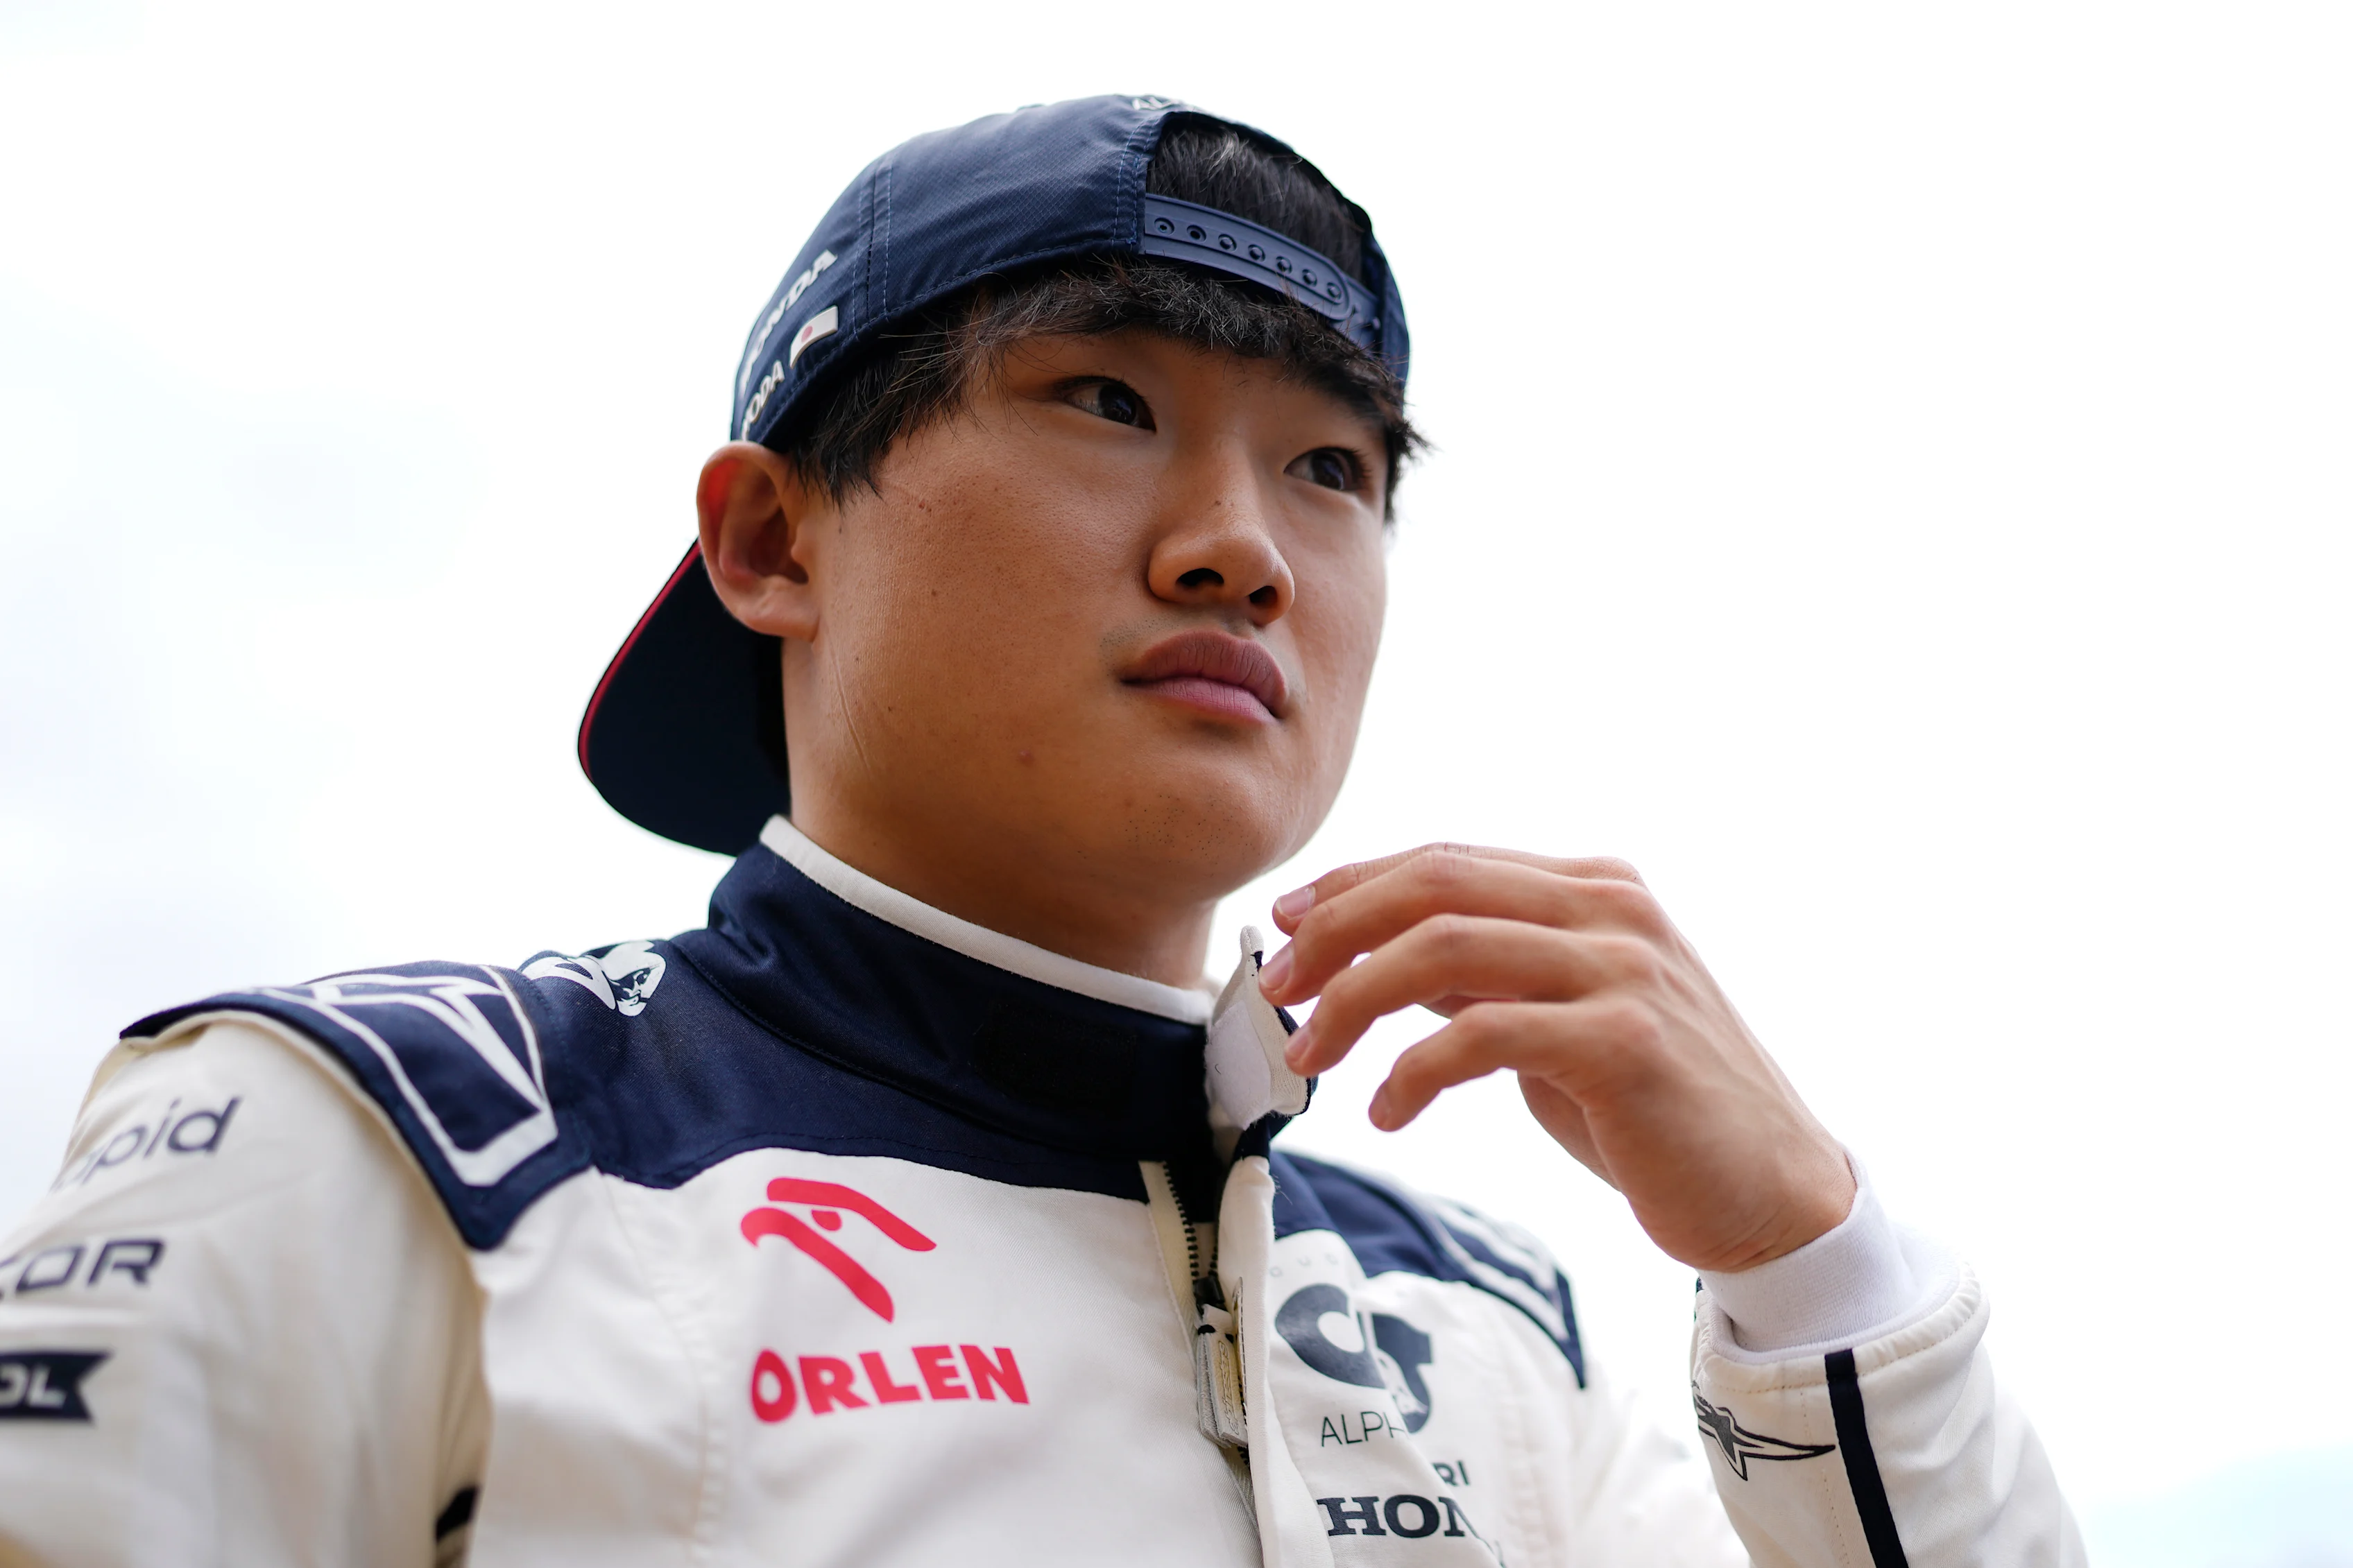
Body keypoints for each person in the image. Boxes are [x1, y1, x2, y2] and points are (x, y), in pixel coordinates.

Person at [0, 96, 2080, 1566]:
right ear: (770, 535)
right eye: (1106, 400)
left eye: (1336, 467)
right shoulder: (404, 1139)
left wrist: (1813, 1260)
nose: (1241, 551)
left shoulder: (1488, 1323)